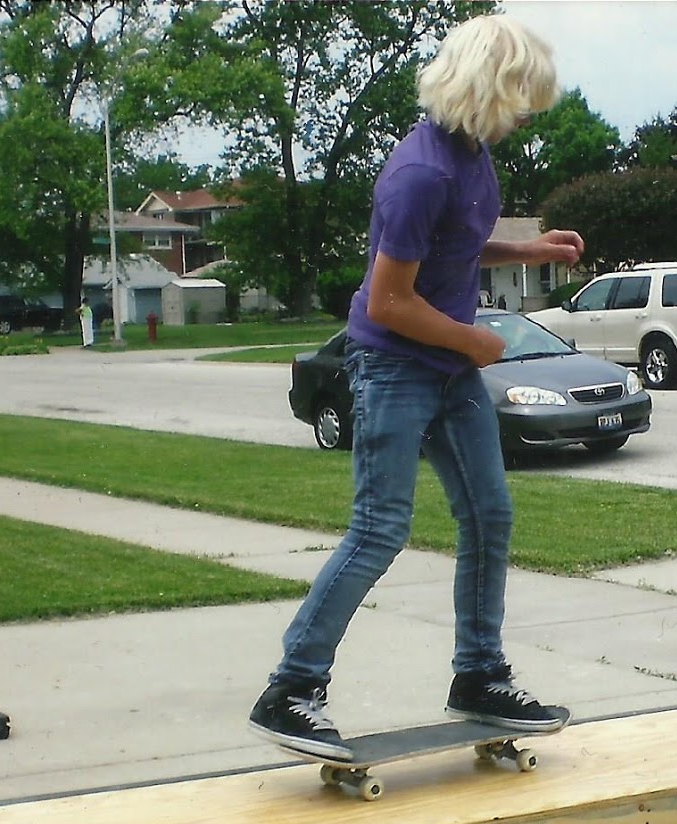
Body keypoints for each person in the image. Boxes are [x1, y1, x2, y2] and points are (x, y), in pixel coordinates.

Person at [248, 14, 584, 762]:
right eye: (523, 99)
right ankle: (291, 689)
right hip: (396, 368)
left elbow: (452, 244)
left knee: (489, 515)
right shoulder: (420, 172)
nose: (529, 115)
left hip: (447, 370)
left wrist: (523, 250)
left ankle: (479, 676)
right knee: (380, 529)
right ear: (489, 89)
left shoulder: (471, 156)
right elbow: (387, 301)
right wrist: (476, 341)